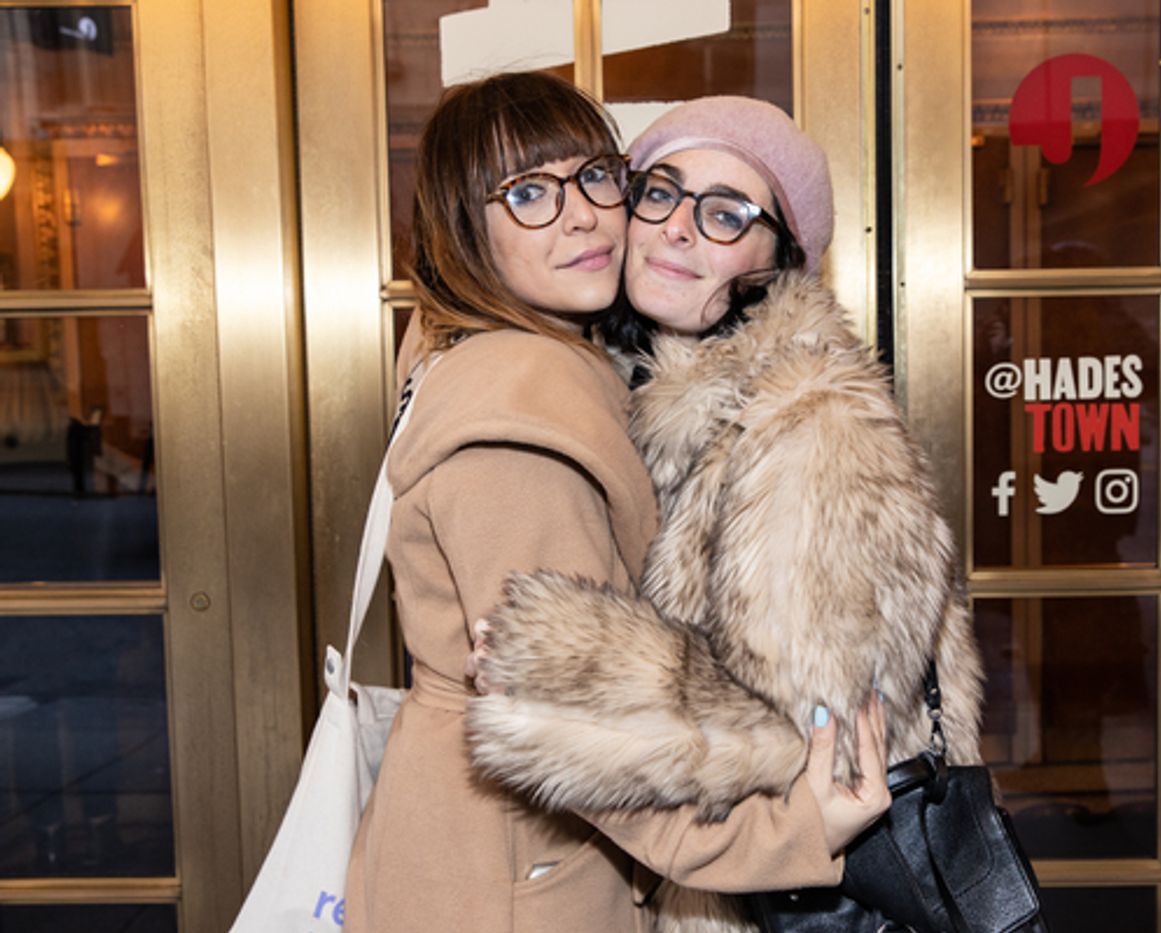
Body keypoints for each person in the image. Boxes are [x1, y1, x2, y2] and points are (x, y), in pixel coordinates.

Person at [344, 73, 889, 933]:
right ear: (464, 229)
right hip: (513, 881)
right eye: (528, 194)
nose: (582, 216)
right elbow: (577, 729)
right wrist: (789, 832)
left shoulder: (522, 352)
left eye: (596, 177)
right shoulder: (521, 422)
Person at [467, 96, 984, 931]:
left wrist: (566, 660)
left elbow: (820, 742)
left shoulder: (812, 421)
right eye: (660, 191)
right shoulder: (621, 391)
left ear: (780, 259)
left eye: (726, 213)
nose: (677, 227)